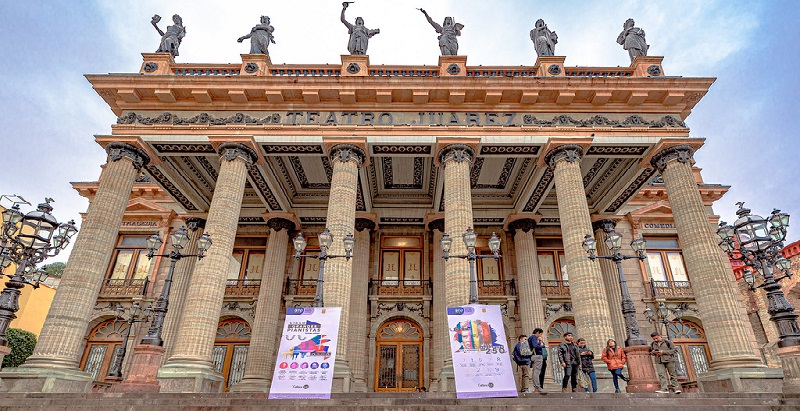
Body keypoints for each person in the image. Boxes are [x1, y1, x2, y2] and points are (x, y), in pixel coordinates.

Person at [527, 328, 546, 393]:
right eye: (540, 334)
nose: (540, 335)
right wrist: (543, 346)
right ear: (537, 332)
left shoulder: (530, 337)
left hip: (532, 356)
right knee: (536, 372)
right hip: (537, 356)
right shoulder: (534, 337)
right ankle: (537, 387)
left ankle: (536, 387)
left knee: (535, 372)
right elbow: (535, 346)